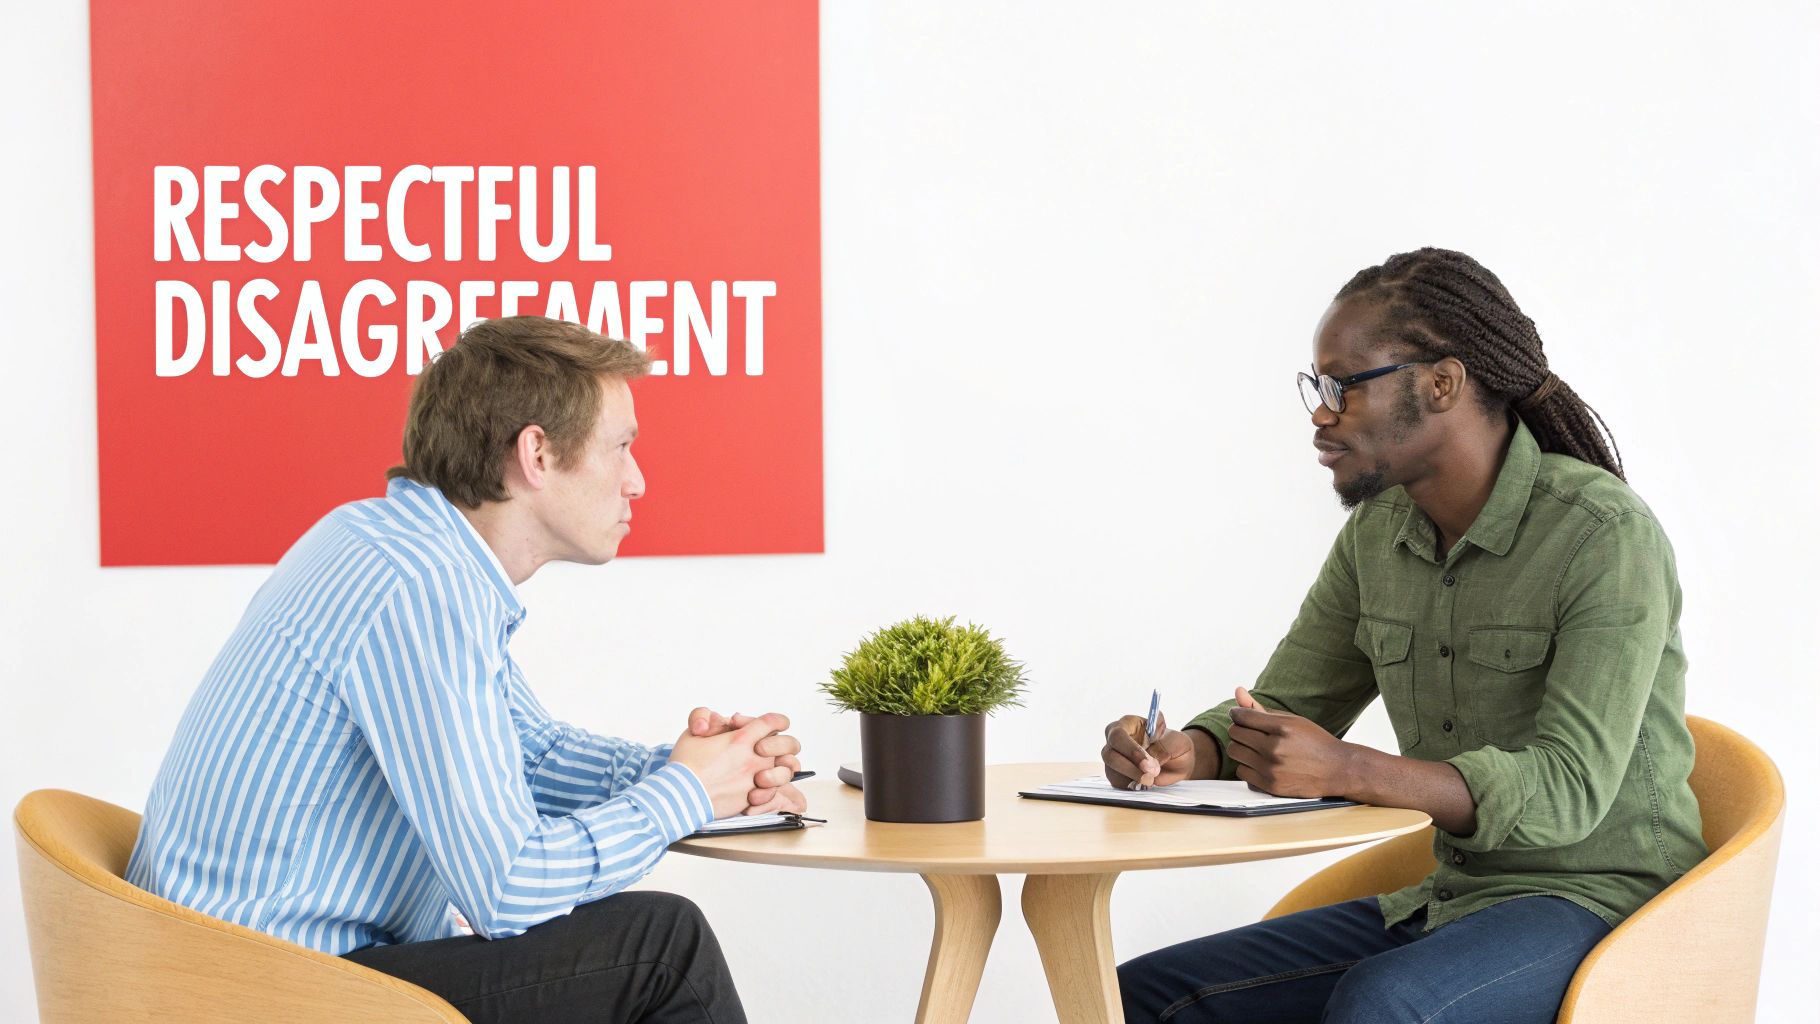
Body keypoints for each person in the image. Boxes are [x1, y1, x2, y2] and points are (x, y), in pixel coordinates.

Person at [127, 315, 803, 1023]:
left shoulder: (391, 545)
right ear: (536, 454)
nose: (638, 480)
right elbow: (506, 888)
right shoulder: (420, 589)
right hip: (259, 990)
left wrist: (696, 767)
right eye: (621, 447)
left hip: (234, 963)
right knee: (663, 949)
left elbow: (526, 753)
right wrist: (685, 796)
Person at [1100, 249, 1706, 1024]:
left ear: (1441, 382)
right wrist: (1191, 750)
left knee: (1383, 1005)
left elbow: (1569, 789)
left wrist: (1350, 767)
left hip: (1606, 903)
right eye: (1313, 389)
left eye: (1339, 387)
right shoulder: (1378, 535)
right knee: (1137, 997)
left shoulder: (1604, 536)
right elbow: (1287, 703)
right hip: (1450, 897)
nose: (1319, 415)